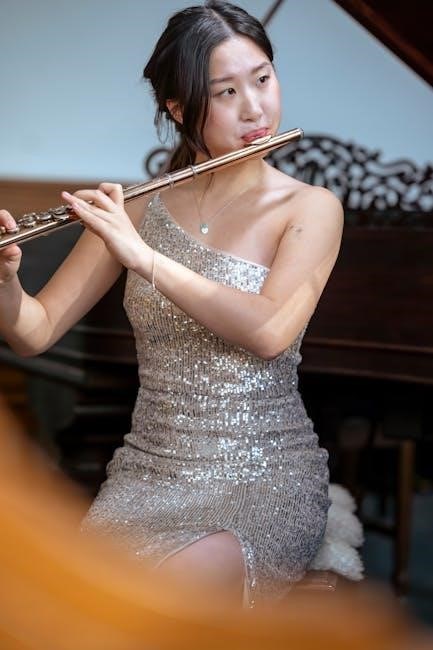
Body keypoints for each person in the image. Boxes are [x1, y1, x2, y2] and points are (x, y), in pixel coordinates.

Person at [0, 1, 354, 608]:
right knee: (68, 609)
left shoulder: (311, 208)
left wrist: (144, 259)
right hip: (148, 475)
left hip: (262, 477)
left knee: (153, 608)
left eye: (263, 79)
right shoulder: (138, 208)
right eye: (226, 92)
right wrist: (7, 281)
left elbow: (269, 331)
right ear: (180, 108)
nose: (255, 108)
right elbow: (34, 332)